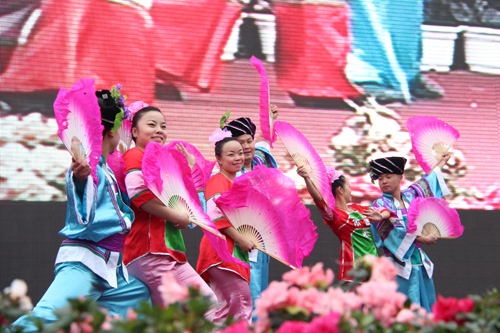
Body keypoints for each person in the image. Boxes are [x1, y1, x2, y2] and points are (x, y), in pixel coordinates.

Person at [11, 89, 151, 332]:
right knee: (42, 321)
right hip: (85, 263)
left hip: (113, 269)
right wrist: (80, 179)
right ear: (112, 132)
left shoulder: (106, 167)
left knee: (137, 299)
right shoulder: (88, 169)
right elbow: (83, 216)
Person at [121, 106, 217, 316]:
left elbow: (185, 202)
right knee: (173, 318)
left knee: (209, 305)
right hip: (148, 249)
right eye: (151, 124)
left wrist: (189, 168)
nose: (159, 130)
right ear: (134, 131)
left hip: (170, 252)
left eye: (163, 126)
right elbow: (139, 195)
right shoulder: (135, 154)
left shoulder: (163, 161)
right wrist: (176, 216)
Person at [368, 154, 451, 312]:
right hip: (396, 265)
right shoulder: (379, 203)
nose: (383, 181)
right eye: (380, 178)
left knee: (426, 308)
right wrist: (422, 239)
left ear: (400, 177)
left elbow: (428, 181)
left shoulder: (411, 195)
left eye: (388, 176)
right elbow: (391, 226)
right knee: (403, 311)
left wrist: (442, 162)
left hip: (418, 262)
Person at [223, 109, 277, 321]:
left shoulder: (259, 161)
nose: (246, 146)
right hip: (240, 240)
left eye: (248, 141)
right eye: (239, 142)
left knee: (260, 290)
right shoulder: (227, 171)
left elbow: (265, 140)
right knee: (247, 294)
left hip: (262, 240)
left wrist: (270, 120)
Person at [196, 136, 256, 325]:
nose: (238, 157)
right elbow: (215, 216)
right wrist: (241, 239)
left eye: (240, 153)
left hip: (228, 253)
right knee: (241, 305)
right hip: (222, 253)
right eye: (231, 154)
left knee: (225, 311)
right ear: (219, 159)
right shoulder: (217, 181)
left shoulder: (235, 184)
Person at [297, 166, 391, 282]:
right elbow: (318, 199)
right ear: (340, 190)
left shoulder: (359, 209)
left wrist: (381, 216)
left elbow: (386, 210)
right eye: (349, 187)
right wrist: (307, 178)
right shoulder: (336, 216)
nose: (351, 190)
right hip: (354, 272)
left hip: (374, 270)